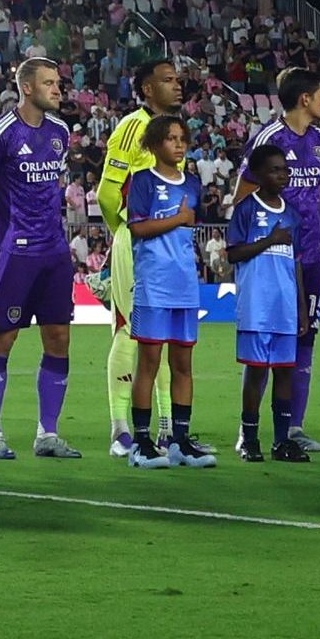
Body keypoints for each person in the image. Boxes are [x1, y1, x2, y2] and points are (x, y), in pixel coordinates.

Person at [0, 56, 82, 462]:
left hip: (54, 250)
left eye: (59, 82)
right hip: (15, 252)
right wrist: (9, 232)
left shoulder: (60, 132)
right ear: (28, 88)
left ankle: (47, 434)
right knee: (4, 336)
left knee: (59, 338)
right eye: (50, 83)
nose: (58, 90)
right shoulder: (1, 132)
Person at [94, 54, 187, 454]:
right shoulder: (134, 126)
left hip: (165, 247)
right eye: (168, 79)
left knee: (161, 337)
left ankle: (166, 428)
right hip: (138, 244)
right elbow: (106, 191)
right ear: (148, 89)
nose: (177, 85)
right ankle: (120, 429)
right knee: (131, 331)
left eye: (178, 79)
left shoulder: (171, 131)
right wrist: (124, 234)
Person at [116, 114, 215, 467]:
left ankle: (180, 441)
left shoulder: (191, 184)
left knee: (183, 364)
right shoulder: (142, 181)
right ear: (155, 145)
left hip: (185, 284)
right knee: (149, 363)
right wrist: (178, 219)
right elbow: (137, 228)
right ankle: (141, 444)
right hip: (153, 286)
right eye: (171, 138)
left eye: (182, 138)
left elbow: (189, 229)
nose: (179, 144)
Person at [226, 104, 311, 463]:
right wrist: (269, 240)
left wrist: (302, 307)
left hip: (285, 305)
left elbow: (297, 266)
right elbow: (233, 254)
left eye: (285, 170)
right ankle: (249, 438)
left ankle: (281, 440)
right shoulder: (246, 208)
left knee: (285, 371)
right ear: (257, 174)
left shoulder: (292, 214)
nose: (283, 175)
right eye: (275, 170)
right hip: (256, 305)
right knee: (256, 370)